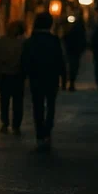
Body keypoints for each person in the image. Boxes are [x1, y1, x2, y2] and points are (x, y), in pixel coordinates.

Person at [22, 12, 67, 147]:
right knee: (51, 104)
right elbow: (60, 60)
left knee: (38, 105)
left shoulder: (30, 41)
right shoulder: (54, 40)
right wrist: (64, 77)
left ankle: (40, 133)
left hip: (36, 77)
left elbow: (25, 60)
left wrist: (24, 75)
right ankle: (48, 129)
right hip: (51, 77)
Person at [0, 20, 26, 134]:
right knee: (13, 101)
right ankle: (12, 124)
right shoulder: (22, 42)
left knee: (7, 101)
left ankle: (8, 123)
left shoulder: (3, 41)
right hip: (14, 75)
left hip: (7, 74)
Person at [63, 18, 87, 91]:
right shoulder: (81, 32)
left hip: (71, 51)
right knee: (74, 67)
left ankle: (66, 83)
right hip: (76, 52)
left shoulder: (71, 30)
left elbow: (66, 38)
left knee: (69, 67)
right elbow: (83, 42)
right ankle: (71, 83)